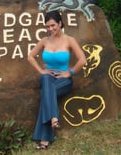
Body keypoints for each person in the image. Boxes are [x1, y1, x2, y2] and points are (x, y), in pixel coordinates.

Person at [27, 10, 87, 150]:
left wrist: (70, 72)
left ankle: (44, 139)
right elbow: (30, 57)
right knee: (46, 78)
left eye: (53, 25)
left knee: (47, 94)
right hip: (48, 77)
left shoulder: (69, 40)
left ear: (60, 23)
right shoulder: (44, 41)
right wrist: (41, 70)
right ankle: (53, 118)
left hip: (63, 81)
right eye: (47, 26)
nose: (50, 29)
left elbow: (82, 60)